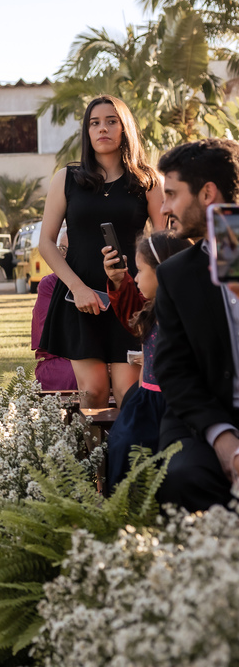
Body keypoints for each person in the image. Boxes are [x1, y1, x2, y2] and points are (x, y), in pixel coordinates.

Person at [38, 96, 163, 408]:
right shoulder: (67, 179)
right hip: (79, 298)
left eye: (111, 121)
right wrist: (77, 288)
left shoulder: (147, 180)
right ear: (87, 131)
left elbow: (164, 243)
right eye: (94, 123)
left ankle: (126, 444)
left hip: (130, 299)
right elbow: (46, 242)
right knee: (92, 392)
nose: (102, 129)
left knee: (127, 393)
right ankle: (93, 445)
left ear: (125, 128)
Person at [151, 138, 239, 511]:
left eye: (172, 194)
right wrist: (222, 436)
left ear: (207, 193)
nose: (164, 208)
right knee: (183, 474)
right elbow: (173, 369)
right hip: (203, 417)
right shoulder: (175, 274)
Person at [102, 231, 191, 493]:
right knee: (124, 450)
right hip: (144, 405)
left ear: (165, 270)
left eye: (140, 271)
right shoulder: (150, 313)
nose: (137, 278)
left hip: (176, 407)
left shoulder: (190, 318)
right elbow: (145, 372)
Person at [32, 230, 77, 392]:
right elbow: (53, 337)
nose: (63, 256)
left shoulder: (106, 281)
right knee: (74, 375)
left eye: (70, 250)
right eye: (61, 249)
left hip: (105, 358)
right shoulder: (50, 284)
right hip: (63, 359)